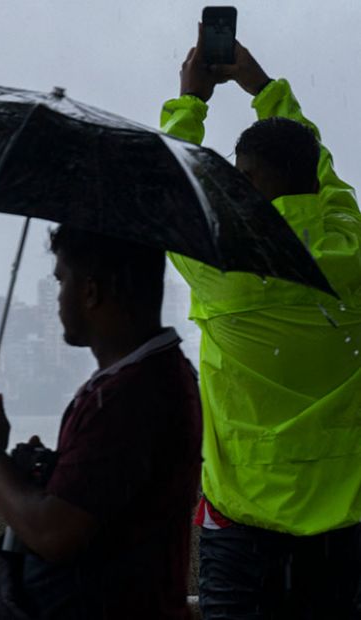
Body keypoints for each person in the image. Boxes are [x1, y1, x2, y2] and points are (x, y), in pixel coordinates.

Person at [161, 29, 361, 618]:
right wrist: (265, 88)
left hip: (241, 527)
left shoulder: (222, 262)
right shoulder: (350, 244)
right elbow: (320, 169)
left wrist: (190, 101)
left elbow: (169, 186)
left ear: (246, 182)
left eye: (240, 176)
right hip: (346, 529)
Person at [0, 225, 202, 619]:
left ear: (91, 291)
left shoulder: (130, 397)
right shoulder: (151, 376)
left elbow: (55, 533)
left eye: (61, 280)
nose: (58, 298)